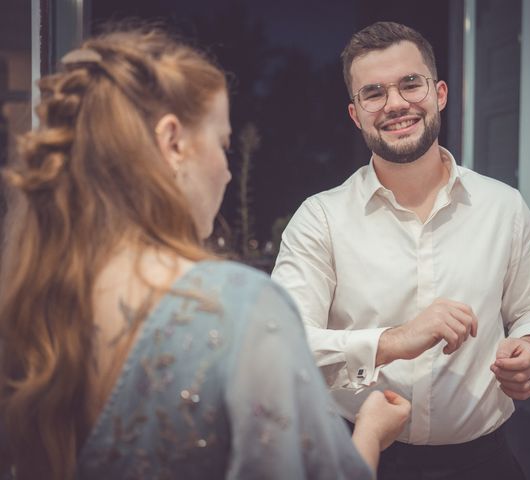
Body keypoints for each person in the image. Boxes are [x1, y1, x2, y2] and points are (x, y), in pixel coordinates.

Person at [0, 26, 411, 480]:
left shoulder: (30, 295)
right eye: (223, 145)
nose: (228, 174)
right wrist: (369, 433)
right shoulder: (236, 305)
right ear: (173, 142)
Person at [271, 21, 530, 479]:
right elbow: (284, 345)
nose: (396, 104)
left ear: (439, 93)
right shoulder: (319, 218)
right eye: (374, 93)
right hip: (360, 456)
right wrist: (394, 341)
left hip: (484, 461)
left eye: (410, 84)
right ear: (355, 114)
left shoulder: (504, 206)